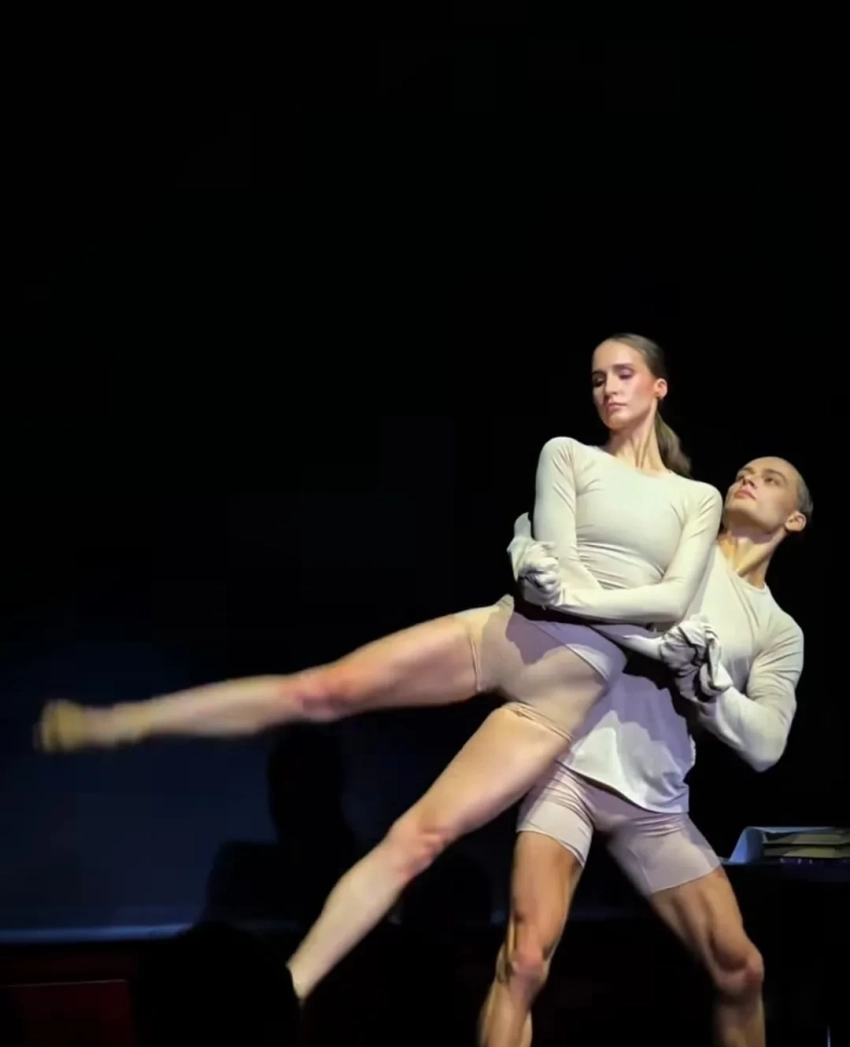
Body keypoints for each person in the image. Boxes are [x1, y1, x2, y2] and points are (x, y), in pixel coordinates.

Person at [37, 334, 722, 1002]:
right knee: (321, 689)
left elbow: (668, 600)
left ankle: (291, 990)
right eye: (598, 378)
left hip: (560, 699)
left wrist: (576, 592)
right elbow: (569, 570)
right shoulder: (567, 454)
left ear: (659, 386)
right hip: (509, 632)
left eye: (623, 374)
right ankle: (124, 722)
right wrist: (589, 597)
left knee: (418, 838)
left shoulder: (696, 500)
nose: (607, 389)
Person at [470, 454, 841, 1047]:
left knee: (740, 966)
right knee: (527, 956)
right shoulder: (676, 543)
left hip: (655, 800)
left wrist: (710, 686)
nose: (749, 476)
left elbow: (766, 745)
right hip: (569, 765)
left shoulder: (779, 630)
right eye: (746, 469)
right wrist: (534, 551)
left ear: (796, 519)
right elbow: (577, 592)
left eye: (771, 478)